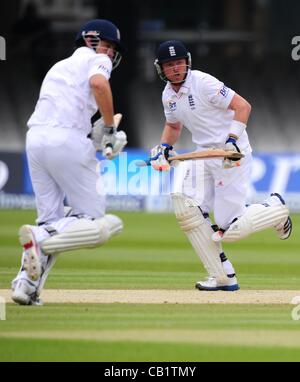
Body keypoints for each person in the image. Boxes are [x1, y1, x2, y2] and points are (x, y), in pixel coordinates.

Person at [150, 40, 292, 291]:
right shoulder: (168, 96)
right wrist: (164, 148)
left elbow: (242, 106)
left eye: (179, 62)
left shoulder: (203, 82)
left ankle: (276, 208)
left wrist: (232, 141)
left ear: (188, 61)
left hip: (231, 155)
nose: (176, 68)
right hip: (203, 155)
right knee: (185, 206)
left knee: (231, 228)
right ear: (161, 68)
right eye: (170, 64)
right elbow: (173, 126)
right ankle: (222, 277)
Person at [11, 19, 127, 305]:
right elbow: (99, 83)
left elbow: (70, 106)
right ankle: (39, 237)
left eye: (112, 49)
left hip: (36, 139)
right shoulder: (98, 60)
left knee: (52, 219)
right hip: (67, 139)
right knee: (97, 222)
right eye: (109, 46)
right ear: (95, 42)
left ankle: (25, 286)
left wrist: (98, 133)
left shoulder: (59, 66)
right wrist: (110, 130)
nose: (110, 53)